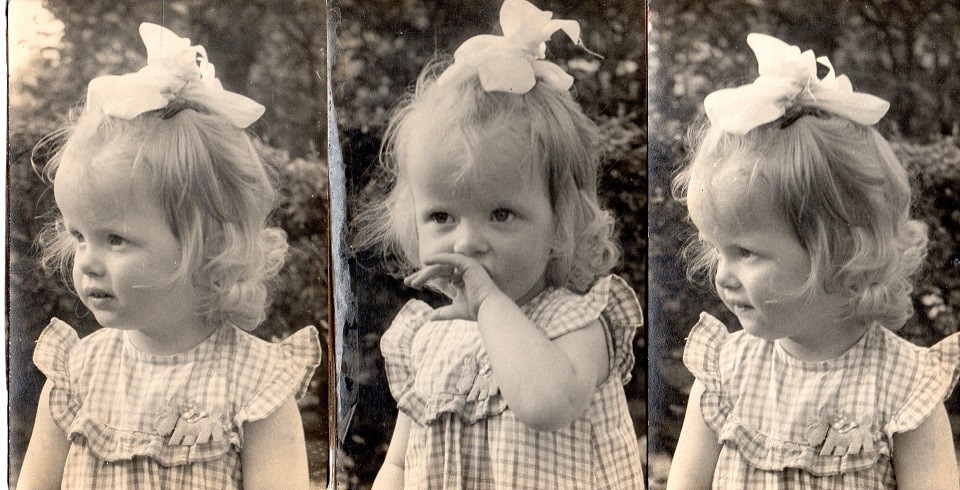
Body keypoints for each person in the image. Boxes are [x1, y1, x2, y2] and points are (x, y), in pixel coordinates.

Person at [17, 23, 321, 489]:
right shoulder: (75, 377)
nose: (88, 262)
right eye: (80, 236)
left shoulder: (255, 385)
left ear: (206, 244)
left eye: (115, 239)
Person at [355, 0, 644, 487]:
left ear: (560, 225)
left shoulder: (574, 322)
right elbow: (401, 464)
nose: (467, 242)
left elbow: (545, 405)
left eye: (501, 214)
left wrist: (490, 304)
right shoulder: (429, 338)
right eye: (441, 216)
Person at [668, 33, 960, 489]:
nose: (723, 276)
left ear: (841, 250)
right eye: (718, 249)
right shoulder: (724, 375)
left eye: (746, 252)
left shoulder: (905, 388)